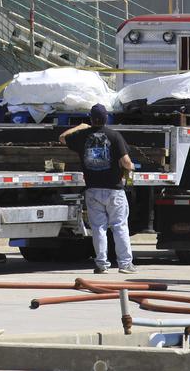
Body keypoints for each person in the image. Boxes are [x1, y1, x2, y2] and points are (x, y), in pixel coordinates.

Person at [59, 104, 136, 274]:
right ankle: (125, 265)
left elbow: (63, 137)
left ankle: (101, 264)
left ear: (91, 118)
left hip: (93, 190)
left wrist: (81, 126)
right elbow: (127, 163)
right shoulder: (114, 136)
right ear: (106, 118)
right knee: (119, 226)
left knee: (98, 228)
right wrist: (129, 171)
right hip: (114, 190)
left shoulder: (82, 136)